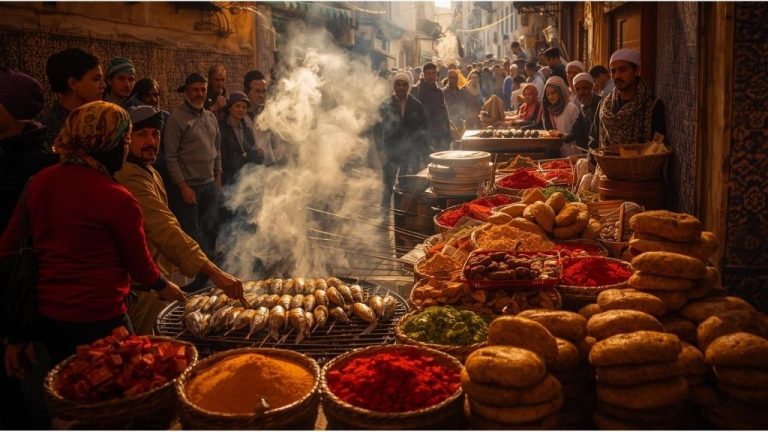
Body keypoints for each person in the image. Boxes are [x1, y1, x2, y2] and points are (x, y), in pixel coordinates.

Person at [1, 101, 186, 376]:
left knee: (64, 387)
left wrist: (15, 333)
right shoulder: (117, 197)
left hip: (46, 317)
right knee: (119, 387)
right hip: (102, 317)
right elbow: (138, 263)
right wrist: (163, 286)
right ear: (106, 142)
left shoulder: (38, 182)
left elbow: (7, 248)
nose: (125, 149)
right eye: (124, 140)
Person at [115, 105, 245, 334]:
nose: (151, 141)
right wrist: (214, 272)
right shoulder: (128, 176)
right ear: (126, 139)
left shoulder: (151, 171)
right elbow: (163, 227)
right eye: (141, 134)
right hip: (142, 287)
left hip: (156, 281)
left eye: (155, 134)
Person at [0, 69, 58, 430]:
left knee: (34, 396)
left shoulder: (37, 168)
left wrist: (20, 330)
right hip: (14, 301)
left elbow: (25, 252)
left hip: (27, 303)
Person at [163, 73, 222, 279]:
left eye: (203, 90)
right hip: (189, 188)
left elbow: (217, 151)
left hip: (209, 184)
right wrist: (183, 186)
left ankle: (213, 275)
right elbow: (170, 156)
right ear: (187, 91)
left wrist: (218, 178)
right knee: (193, 234)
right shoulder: (176, 118)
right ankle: (199, 278)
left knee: (211, 230)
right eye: (195, 89)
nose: (199, 94)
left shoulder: (210, 117)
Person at [588, 48, 666, 149]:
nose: (617, 76)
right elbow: (593, 141)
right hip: (606, 164)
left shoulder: (652, 106)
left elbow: (657, 146)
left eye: (623, 70)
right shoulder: (604, 106)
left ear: (636, 70)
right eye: (613, 71)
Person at [374, 72, 428, 208]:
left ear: (408, 86)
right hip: (391, 150)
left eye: (404, 85)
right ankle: (384, 212)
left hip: (410, 152)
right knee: (388, 183)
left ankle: (403, 213)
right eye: (398, 84)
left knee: (407, 185)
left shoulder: (416, 105)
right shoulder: (385, 105)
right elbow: (377, 129)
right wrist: (380, 150)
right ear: (394, 86)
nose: (401, 87)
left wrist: (423, 152)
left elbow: (423, 129)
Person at [41, 48, 105, 145]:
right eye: (96, 79)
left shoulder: (98, 116)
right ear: (73, 83)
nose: (103, 85)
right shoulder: (54, 130)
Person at [524, 76, 579, 155]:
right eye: (548, 94)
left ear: (560, 91)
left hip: (570, 152)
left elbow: (576, 134)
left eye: (553, 93)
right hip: (556, 152)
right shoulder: (549, 110)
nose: (550, 97)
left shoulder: (571, 108)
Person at [219, 91, 263, 186]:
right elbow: (224, 158)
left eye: (244, 107)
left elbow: (254, 151)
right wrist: (247, 156)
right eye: (237, 106)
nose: (241, 110)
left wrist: (256, 154)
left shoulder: (247, 129)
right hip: (228, 179)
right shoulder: (222, 129)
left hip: (245, 179)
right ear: (230, 108)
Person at [412, 62, 451, 152]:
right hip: (422, 136)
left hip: (438, 136)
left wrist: (448, 135)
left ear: (436, 75)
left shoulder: (439, 92)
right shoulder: (416, 90)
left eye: (433, 73)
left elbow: (444, 114)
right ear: (424, 75)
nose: (431, 76)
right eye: (428, 74)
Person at [564, 73, 602, 152]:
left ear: (592, 87)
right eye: (577, 89)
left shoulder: (602, 105)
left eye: (584, 88)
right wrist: (561, 138)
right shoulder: (584, 106)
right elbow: (576, 127)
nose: (581, 92)